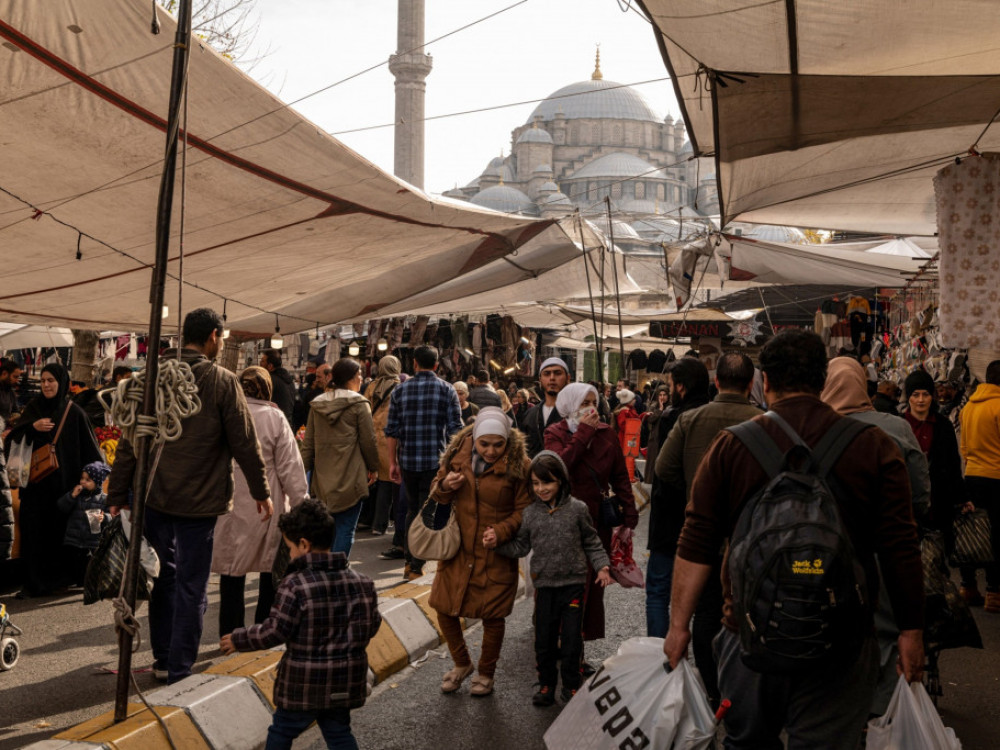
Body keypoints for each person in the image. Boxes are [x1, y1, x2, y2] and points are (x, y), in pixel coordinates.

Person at [664, 330, 924, 750]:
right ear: (822, 381)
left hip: (747, 633)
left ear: (763, 382)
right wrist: (911, 631)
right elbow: (900, 546)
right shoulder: (874, 447)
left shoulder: (731, 447)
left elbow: (695, 542)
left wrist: (679, 627)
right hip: (843, 637)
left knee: (747, 743)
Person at [108, 308, 271, 683]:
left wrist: (117, 492)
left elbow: (131, 441)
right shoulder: (221, 380)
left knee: (162, 578)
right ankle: (179, 669)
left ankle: (164, 658)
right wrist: (262, 491)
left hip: (154, 496)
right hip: (200, 502)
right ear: (214, 336)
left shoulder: (149, 377)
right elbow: (245, 443)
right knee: (191, 586)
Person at [221, 500, 381, 750]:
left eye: (290, 548)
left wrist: (238, 638)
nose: (291, 555)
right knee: (339, 734)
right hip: (345, 682)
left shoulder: (295, 585)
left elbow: (274, 631)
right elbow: (371, 626)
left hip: (303, 685)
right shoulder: (364, 583)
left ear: (304, 545)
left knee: (281, 732)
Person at [820, 356, 932, 715]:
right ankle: (881, 714)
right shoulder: (895, 428)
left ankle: (838, 711)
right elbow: (920, 492)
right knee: (885, 631)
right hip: (886, 551)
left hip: (826, 554)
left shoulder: (813, 427)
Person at [655, 352, 759, 706]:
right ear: (750, 384)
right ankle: (739, 685)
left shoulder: (691, 418)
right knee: (746, 607)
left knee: (706, 611)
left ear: (717, 383)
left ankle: (712, 688)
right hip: (750, 536)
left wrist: (691, 485)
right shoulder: (765, 421)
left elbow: (662, 468)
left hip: (701, 530)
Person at [428, 407, 531, 697]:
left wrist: (502, 530)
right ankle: (462, 664)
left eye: (498, 444)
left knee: (493, 616)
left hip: (495, 552)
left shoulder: (520, 466)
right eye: (484, 444)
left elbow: (526, 509)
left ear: (507, 442)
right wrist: (446, 485)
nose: (490, 450)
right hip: (458, 550)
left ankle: (486, 673)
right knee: (444, 608)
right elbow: (436, 489)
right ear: (474, 438)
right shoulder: (456, 458)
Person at [495, 451, 612, 706]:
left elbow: (592, 542)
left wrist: (602, 566)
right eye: (535, 483)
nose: (541, 489)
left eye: (546, 482)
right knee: (544, 641)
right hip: (545, 587)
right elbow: (521, 547)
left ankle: (571, 685)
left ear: (561, 480)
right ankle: (546, 685)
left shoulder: (578, 510)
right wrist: (497, 545)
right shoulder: (530, 514)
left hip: (573, 587)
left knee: (571, 641)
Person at [212, 367, 309, 637]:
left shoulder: (224, 414)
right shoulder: (275, 417)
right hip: (267, 505)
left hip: (228, 505)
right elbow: (290, 467)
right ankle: (262, 631)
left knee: (232, 572)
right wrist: (302, 505)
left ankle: (229, 635)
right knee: (270, 571)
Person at [544, 383, 638, 655]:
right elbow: (558, 467)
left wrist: (629, 515)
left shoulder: (607, 434)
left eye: (592, 402)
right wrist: (583, 433)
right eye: (583, 403)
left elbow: (620, 475)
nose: (589, 408)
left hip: (597, 523)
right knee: (564, 584)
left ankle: (577, 646)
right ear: (569, 406)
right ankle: (557, 638)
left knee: (591, 587)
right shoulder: (555, 433)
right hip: (562, 522)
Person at [8, 363, 103, 597]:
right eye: (42, 381)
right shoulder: (33, 408)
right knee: (35, 533)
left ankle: (61, 579)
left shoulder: (74, 412)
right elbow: (12, 439)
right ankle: (36, 582)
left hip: (63, 490)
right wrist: (32, 427)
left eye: (51, 380)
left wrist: (87, 484)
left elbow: (92, 453)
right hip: (36, 487)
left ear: (61, 382)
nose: (46, 385)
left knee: (60, 534)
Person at [644, 357, 710, 638]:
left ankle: (658, 657)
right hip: (706, 519)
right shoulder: (710, 414)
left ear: (680, 387)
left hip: (671, 518)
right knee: (705, 597)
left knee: (659, 591)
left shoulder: (675, 417)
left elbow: (663, 470)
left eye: (671, 384)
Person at [384, 345, 463, 580]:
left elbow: (391, 431)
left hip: (408, 461)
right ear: (437, 365)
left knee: (412, 509)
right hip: (436, 462)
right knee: (430, 510)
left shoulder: (400, 391)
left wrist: (392, 462)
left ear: (415, 364)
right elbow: (455, 430)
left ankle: (411, 561)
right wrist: (452, 462)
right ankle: (419, 563)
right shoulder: (447, 390)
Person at [300, 358, 378, 558]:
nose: (361, 379)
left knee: (325, 530)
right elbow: (368, 441)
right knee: (345, 529)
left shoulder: (317, 405)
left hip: (322, 481)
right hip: (351, 478)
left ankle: (324, 570)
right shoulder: (360, 404)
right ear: (351, 378)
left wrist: (300, 476)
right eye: (359, 375)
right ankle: (336, 574)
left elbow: (308, 445)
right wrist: (373, 467)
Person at [902, 369, 966, 552]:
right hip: (908, 503)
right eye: (915, 395)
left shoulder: (943, 425)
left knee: (938, 557)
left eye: (925, 394)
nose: (921, 400)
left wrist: (962, 497)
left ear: (933, 396)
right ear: (909, 398)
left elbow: (953, 463)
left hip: (940, 500)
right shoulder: (900, 425)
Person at [958, 360, 1000, 612]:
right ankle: (994, 592)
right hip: (996, 476)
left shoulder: (968, 407)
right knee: (996, 534)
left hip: (972, 474)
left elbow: (963, 447)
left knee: (972, 532)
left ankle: (967, 586)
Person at [360, 355, 401, 536]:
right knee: (387, 483)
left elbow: (364, 410)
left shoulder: (371, 386)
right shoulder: (400, 388)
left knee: (370, 479)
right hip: (390, 440)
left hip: (371, 438)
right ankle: (379, 524)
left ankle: (365, 519)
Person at [55, 461, 111, 585]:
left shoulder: (104, 499)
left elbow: (112, 516)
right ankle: (77, 579)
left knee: (91, 562)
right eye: (82, 478)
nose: (83, 482)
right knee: (74, 561)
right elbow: (62, 506)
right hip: (74, 538)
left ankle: (90, 581)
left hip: (93, 539)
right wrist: (72, 495)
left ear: (97, 483)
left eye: (88, 479)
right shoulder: (78, 496)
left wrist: (104, 518)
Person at [521, 357, 570, 457]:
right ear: (540, 380)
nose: (552, 378)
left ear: (568, 378)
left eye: (557, 373)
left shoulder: (575, 413)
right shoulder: (531, 414)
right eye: (547, 374)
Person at [260, 349, 296, 425]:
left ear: (270, 366)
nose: (260, 364)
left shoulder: (269, 380)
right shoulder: (289, 380)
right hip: (287, 424)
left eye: (262, 361)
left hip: (274, 425)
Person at [293, 363, 330, 433]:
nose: (316, 380)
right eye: (316, 377)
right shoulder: (311, 395)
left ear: (328, 376)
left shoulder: (337, 394)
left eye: (319, 377)